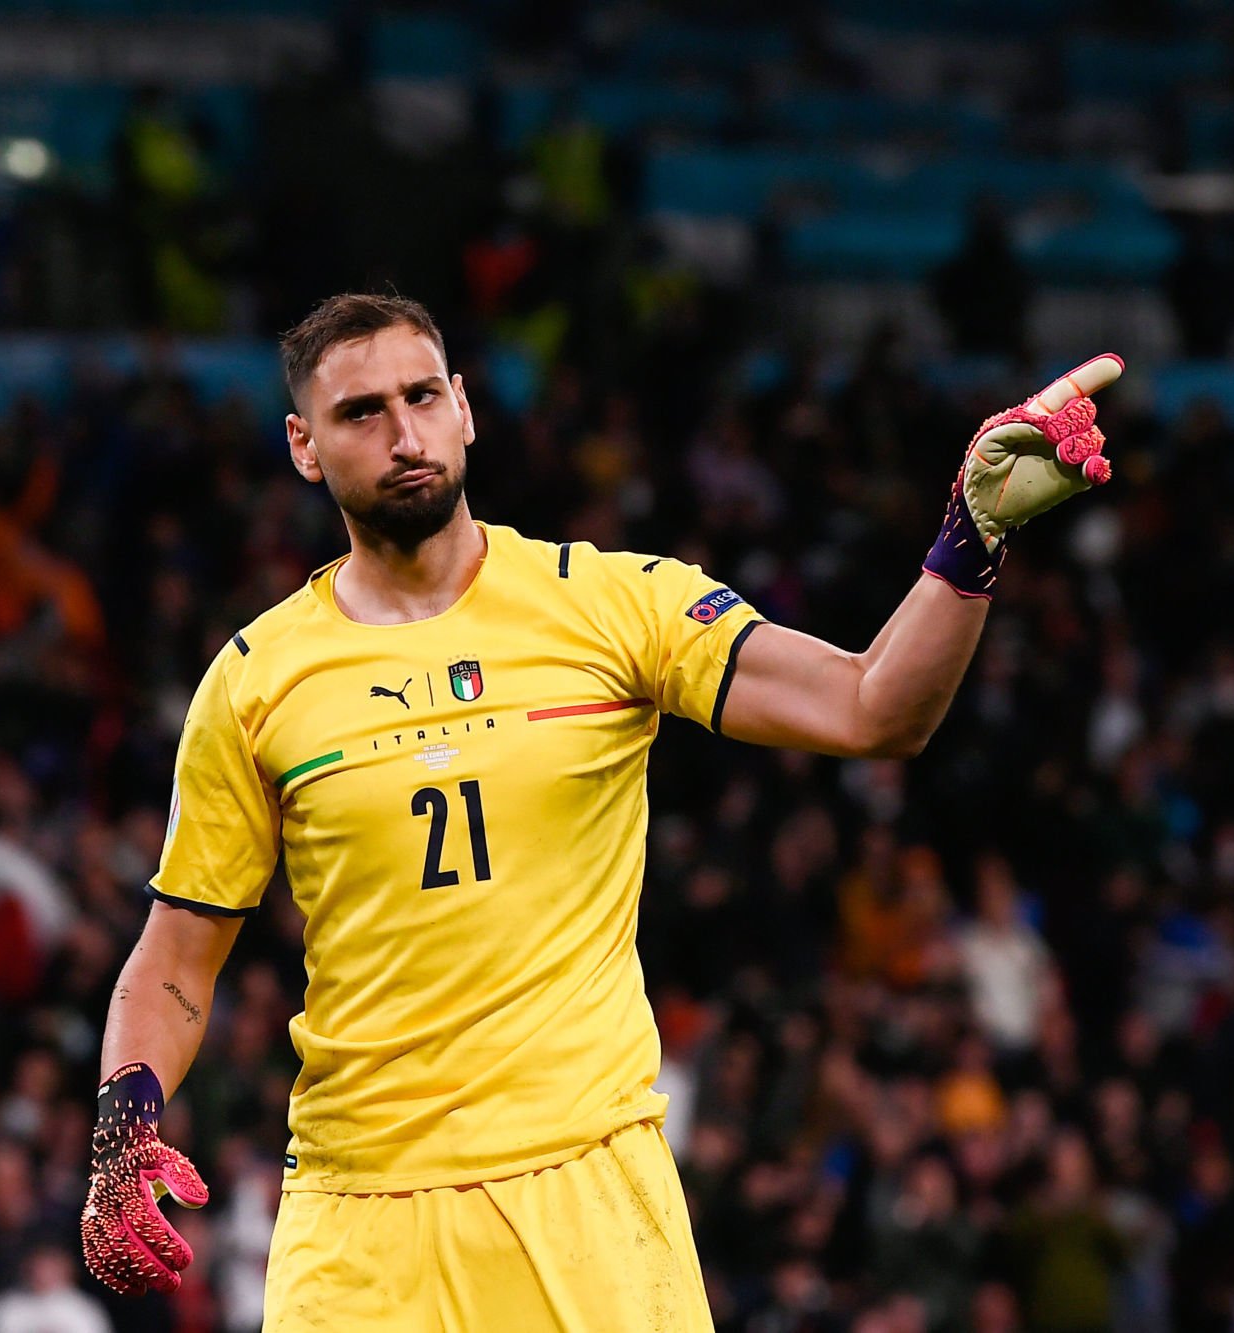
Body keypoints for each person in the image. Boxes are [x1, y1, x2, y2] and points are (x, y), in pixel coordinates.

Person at [78, 292, 1121, 1330]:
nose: (403, 434)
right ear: (303, 446)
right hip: (360, 1222)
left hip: (590, 1197)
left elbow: (871, 707)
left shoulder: (611, 603)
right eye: (360, 412)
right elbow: (175, 955)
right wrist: (123, 1123)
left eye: (421, 396)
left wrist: (972, 536)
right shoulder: (254, 680)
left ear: (464, 407)